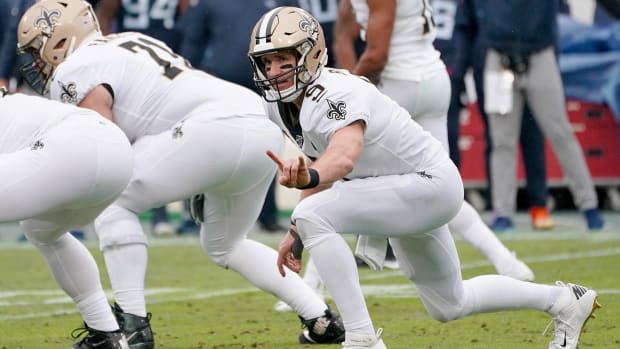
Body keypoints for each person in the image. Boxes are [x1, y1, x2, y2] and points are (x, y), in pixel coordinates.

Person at [248, 6, 601, 349]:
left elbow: (343, 156)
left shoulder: (335, 93)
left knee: (313, 214)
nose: (274, 70)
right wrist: (295, 230)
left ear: (309, 56)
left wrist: (307, 182)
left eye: (283, 60)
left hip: (426, 183)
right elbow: (321, 161)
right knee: (450, 303)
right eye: (267, 62)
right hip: (404, 190)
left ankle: (361, 339)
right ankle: (564, 301)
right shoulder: (280, 104)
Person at [17, 0, 345, 347]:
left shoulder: (76, 67)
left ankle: (132, 326)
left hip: (209, 129)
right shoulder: (125, 42)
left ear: (60, 40)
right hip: (255, 123)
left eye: (37, 51)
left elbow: (104, 144)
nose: (35, 62)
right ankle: (320, 317)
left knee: (114, 198)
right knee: (224, 245)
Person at [331, 0, 534, 278]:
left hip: (399, 81)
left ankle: (313, 285)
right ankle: (505, 261)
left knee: (340, 174)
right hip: (433, 79)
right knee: (440, 187)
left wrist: (349, 91)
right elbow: (345, 31)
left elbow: (377, 55)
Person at [455, 0, 605, 231]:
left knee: (560, 133)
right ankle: (502, 211)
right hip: (499, 57)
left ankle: (589, 205)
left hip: (538, 53)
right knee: (502, 140)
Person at [0, 89, 133, 348]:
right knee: (41, 230)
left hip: (69, 146)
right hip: (116, 149)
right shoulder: (20, 106)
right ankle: (106, 334)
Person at [177, 0, 301, 233]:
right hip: (221, 87)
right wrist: (188, 82)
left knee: (269, 147)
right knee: (211, 148)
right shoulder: (208, 3)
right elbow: (192, 43)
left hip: (269, 88)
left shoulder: (284, 2)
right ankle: (202, 212)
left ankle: (267, 214)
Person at [431, 0, 554, 232]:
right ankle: (499, 205)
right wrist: (459, 69)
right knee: (497, 138)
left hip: (529, 60)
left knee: (532, 133)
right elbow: (465, 27)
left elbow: (549, 19)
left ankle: (539, 203)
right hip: (490, 68)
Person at [96, 0, 192, 236]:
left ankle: (184, 212)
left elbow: (104, 15)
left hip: (159, 67)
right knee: (149, 141)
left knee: (175, 139)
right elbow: (188, 19)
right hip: (153, 67)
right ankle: (158, 212)